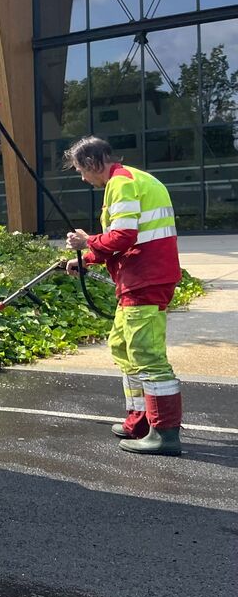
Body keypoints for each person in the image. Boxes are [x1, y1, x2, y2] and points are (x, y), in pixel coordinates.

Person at [62, 136, 183, 456]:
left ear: (91, 163)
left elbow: (123, 235)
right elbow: (127, 239)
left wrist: (87, 242)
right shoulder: (129, 180)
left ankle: (165, 432)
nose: (82, 178)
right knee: (123, 346)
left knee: (145, 353)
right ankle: (140, 421)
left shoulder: (121, 183)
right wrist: (85, 260)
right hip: (141, 277)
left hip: (146, 279)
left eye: (80, 170)